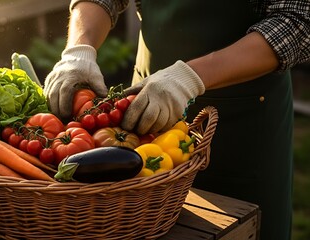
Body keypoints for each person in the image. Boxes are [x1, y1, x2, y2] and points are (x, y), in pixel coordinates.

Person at [43, 1, 310, 239]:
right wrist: (79, 49)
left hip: (241, 124)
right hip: (146, 106)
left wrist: (190, 77)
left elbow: (297, 22)